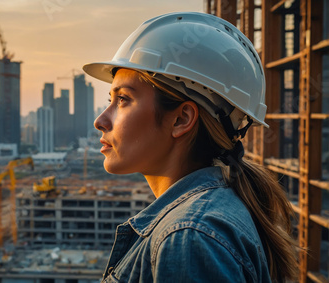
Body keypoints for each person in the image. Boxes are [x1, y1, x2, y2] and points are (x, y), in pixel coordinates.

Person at [82, 12, 298, 282]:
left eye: (123, 99)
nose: (100, 120)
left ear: (181, 119)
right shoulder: (210, 218)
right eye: (110, 99)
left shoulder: (189, 238)